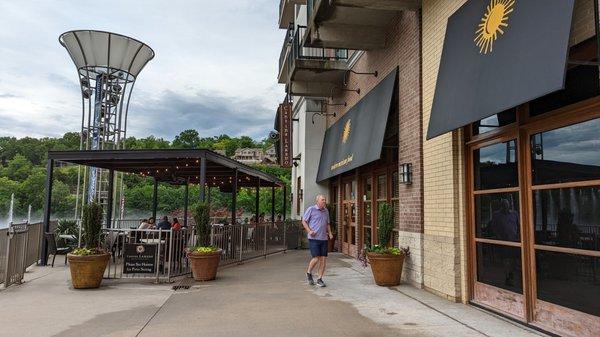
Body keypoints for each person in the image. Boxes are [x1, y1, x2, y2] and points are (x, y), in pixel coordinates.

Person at [302, 195, 333, 287]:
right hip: (314, 238)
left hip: (323, 238)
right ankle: (308, 272)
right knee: (316, 257)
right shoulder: (311, 209)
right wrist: (309, 231)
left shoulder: (326, 211)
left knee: (323, 259)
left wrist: (330, 233)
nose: (324, 201)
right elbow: (304, 221)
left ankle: (319, 279)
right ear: (317, 201)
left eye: (325, 200)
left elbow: (327, 224)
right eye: (323, 200)